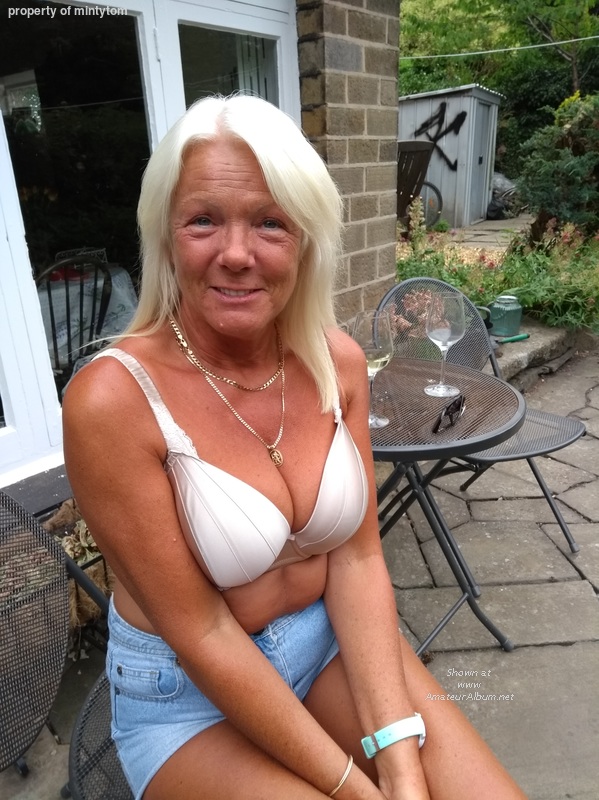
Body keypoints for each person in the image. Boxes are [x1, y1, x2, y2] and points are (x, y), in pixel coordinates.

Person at [62, 94, 526, 800]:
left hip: (327, 647)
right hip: (187, 697)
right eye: (203, 220)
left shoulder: (336, 363)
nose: (236, 254)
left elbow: (358, 557)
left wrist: (399, 759)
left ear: (306, 238)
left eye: (270, 222)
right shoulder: (111, 402)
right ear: (164, 234)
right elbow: (203, 633)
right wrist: (357, 787)